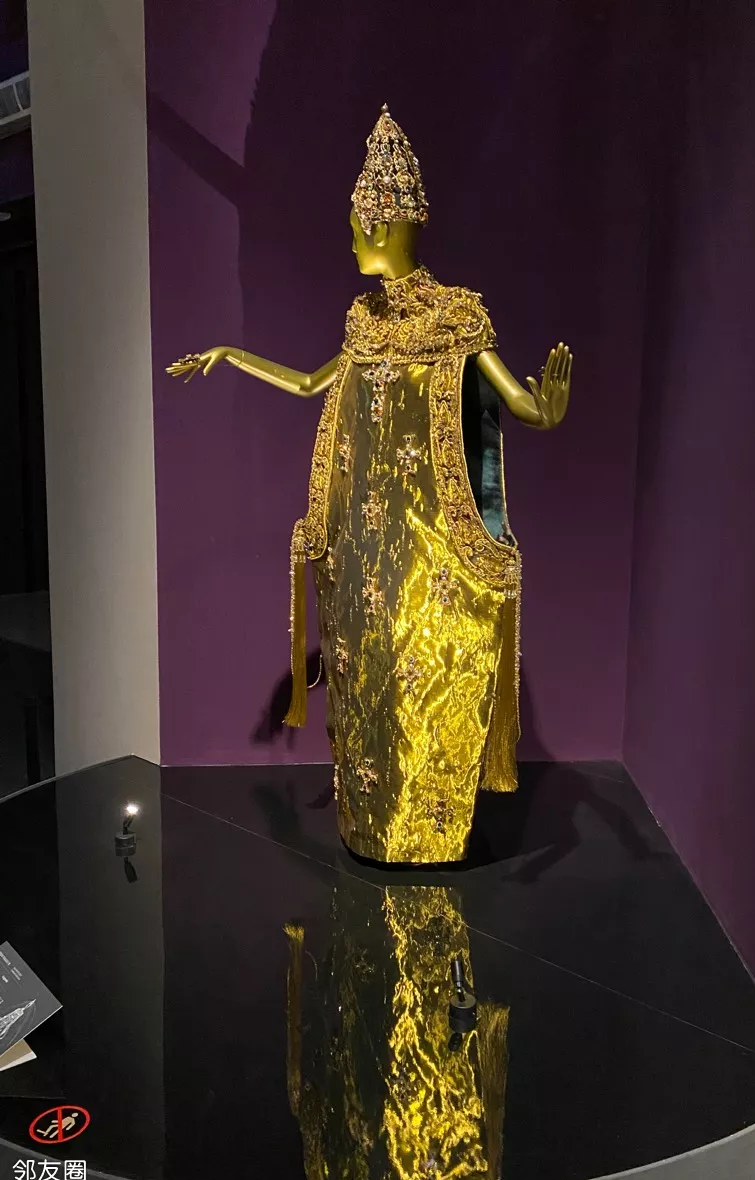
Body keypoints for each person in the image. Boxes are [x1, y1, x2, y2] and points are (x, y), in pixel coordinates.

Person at [168, 106, 572, 864]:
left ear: (385, 225)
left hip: (440, 548)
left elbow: (513, 401)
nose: (352, 241)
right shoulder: (363, 323)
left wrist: (542, 412)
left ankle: (433, 834)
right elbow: (309, 384)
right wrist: (231, 353)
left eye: (357, 227)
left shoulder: (457, 317)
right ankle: (372, 829)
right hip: (367, 557)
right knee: (369, 685)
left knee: (436, 676)